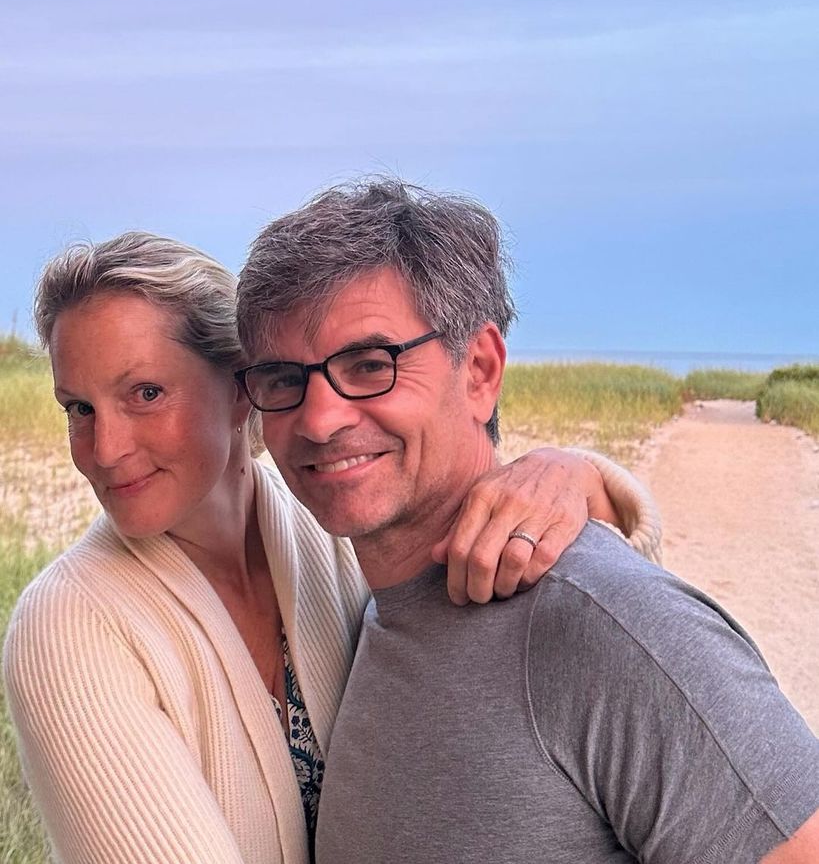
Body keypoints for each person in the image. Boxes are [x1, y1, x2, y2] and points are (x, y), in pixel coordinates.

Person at [2, 231, 659, 864]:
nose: (104, 449)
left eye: (145, 393)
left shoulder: (332, 514)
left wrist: (582, 479)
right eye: (77, 408)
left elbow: (577, 619)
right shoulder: (67, 625)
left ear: (242, 386)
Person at [235, 177, 819, 864]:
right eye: (282, 378)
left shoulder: (606, 623)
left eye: (371, 364)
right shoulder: (375, 609)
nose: (320, 417)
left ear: (479, 368)